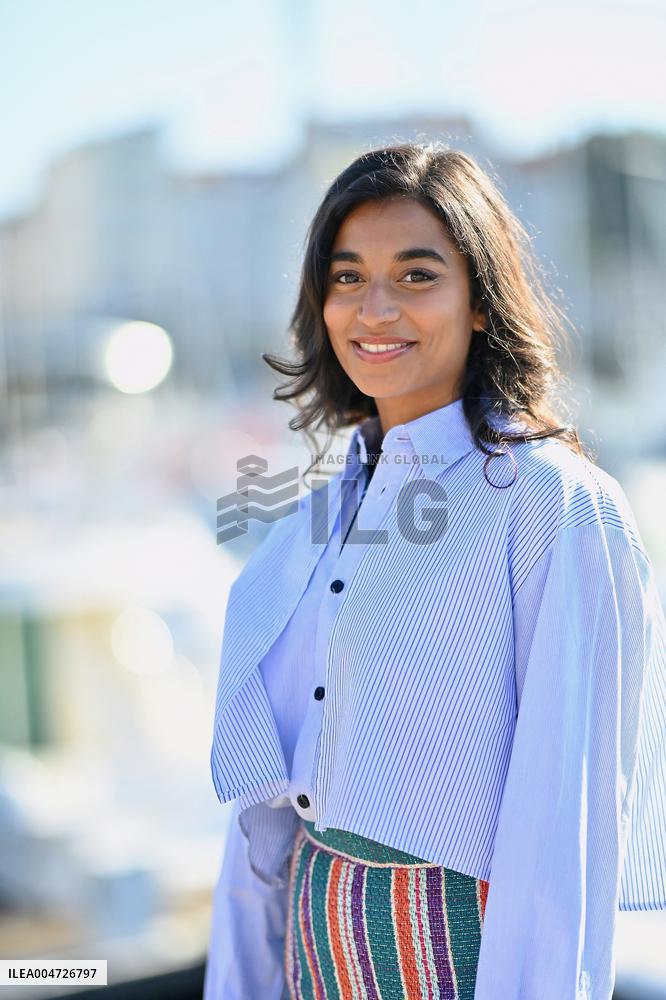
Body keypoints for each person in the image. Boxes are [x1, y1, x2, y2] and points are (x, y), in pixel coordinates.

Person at [203, 144, 666, 999]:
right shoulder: (320, 514)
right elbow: (264, 817)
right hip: (306, 956)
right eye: (347, 277)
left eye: (417, 275)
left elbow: (562, 834)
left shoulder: (556, 506)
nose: (373, 308)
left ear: (481, 301)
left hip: (452, 964)